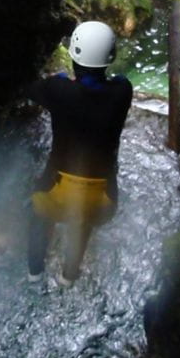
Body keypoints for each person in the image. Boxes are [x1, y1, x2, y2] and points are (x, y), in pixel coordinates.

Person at [26, 20, 133, 286]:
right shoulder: (123, 92)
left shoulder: (58, 90)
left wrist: (60, 80)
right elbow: (112, 82)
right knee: (84, 221)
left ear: (74, 55)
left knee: (40, 216)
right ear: (110, 57)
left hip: (56, 190)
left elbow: (32, 89)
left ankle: (34, 273)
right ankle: (68, 277)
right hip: (102, 198)